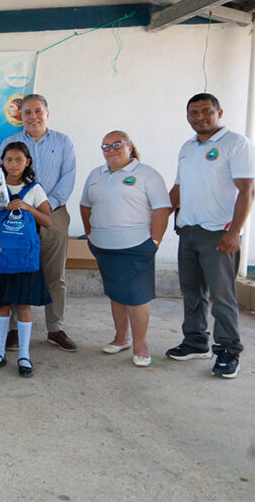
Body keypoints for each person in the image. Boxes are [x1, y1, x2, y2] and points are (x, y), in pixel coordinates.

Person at [165, 93, 255, 379]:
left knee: (222, 295)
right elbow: (178, 189)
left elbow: (247, 190)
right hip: (188, 231)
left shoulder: (236, 144)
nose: (199, 117)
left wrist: (234, 232)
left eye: (206, 111)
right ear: (187, 116)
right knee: (191, 290)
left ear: (219, 112)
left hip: (219, 234)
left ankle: (228, 350)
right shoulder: (187, 147)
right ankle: (195, 341)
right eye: (193, 113)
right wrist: (158, 216)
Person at [79, 131, 171, 367]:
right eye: (105, 146)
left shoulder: (147, 174)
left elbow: (161, 209)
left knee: (136, 297)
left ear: (130, 147)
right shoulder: (96, 174)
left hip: (136, 246)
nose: (110, 150)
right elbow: (85, 206)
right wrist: (90, 234)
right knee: (116, 294)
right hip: (103, 246)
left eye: (117, 144)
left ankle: (141, 344)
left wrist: (155, 242)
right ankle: (121, 338)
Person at [0, 94, 78, 352]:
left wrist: (42, 206)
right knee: (16, 270)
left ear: (47, 114)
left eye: (37, 111)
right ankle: (14, 329)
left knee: (55, 274)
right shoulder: (10, 142)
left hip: (53, 213)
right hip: (16, 215)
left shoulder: (63, 142)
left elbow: (68, 178)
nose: (32, 116)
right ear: (20, 117)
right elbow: (2, 178)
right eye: (27, 112)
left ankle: (55, 328)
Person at [0, 141, 52, 377]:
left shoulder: (35, 189)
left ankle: (24, 355)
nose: (14, 164)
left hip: (24, 257)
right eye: (9, 159)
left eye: (19, 160)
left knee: (23, 305)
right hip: (0, 256)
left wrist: (28, 207)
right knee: (2, 304)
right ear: (2, 162)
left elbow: (47, 221)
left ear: (27, 162)